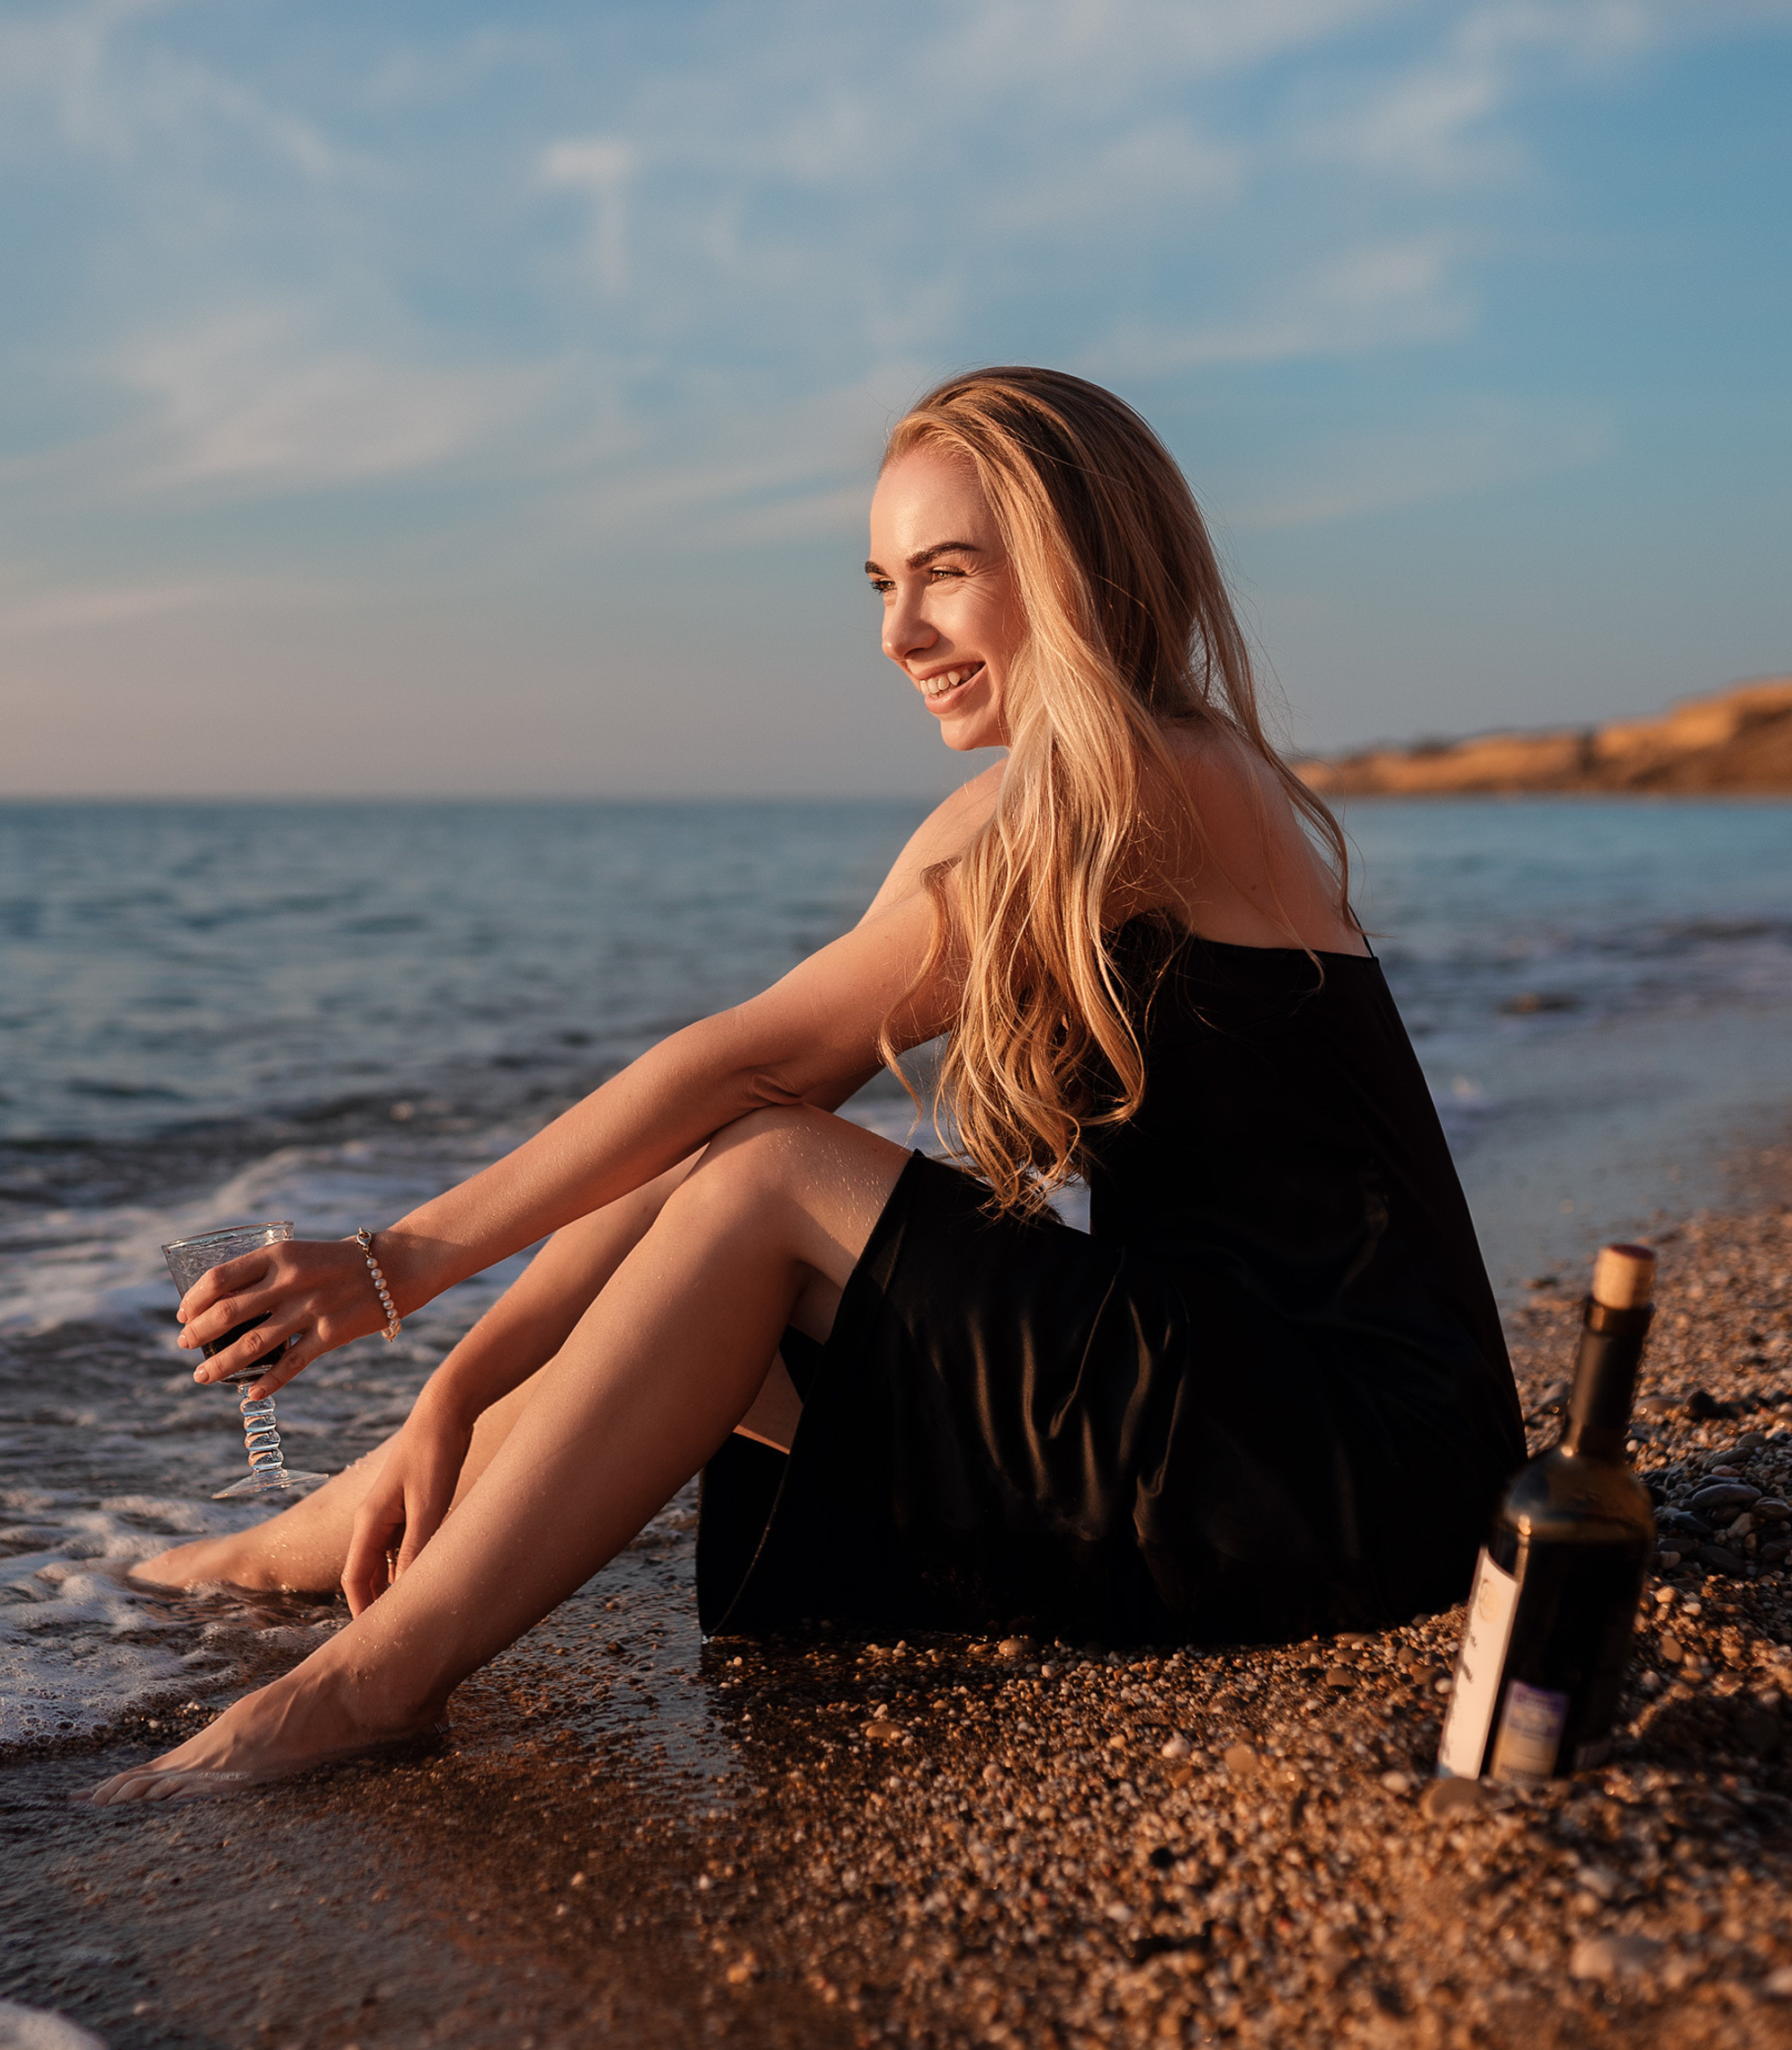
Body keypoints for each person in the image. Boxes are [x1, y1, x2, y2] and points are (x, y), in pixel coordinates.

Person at [88, 366, 1524, 1804]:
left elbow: (752, 1080)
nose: (901, 632)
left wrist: (398, 1263)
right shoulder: (1018, 814)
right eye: (883, 583)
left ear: (1078, 568)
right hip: (1240, 1423)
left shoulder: (1158, 780)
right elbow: (721, 1123)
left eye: (947, 575)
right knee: (730, 1221)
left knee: (777, 1177)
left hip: (1360, 1467)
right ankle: (328, 1540)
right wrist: (455, 1386)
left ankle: (365, 1686)